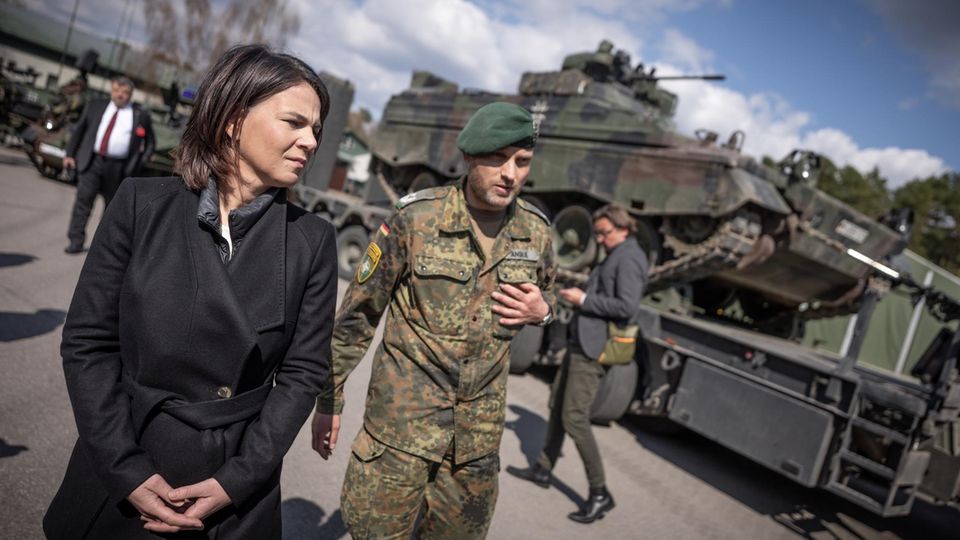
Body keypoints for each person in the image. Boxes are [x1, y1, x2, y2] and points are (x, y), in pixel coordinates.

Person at [43, 44, 336, 539]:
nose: (310, 142)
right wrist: (125, 468)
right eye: (294, 123)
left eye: (316, 130)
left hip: (230, 487)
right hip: (127, 462)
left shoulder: (313, 240)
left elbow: (303, 374)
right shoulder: (140, 205)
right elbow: (88, 344)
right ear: (232, 120)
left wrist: (236, 480)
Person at [312, 101, 557, 538]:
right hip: (399, 434)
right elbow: (357, 317)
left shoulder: (536, 232)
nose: (510, 174)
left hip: (475, 448)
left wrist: (545, 310)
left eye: (522, 162)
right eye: (497, 159)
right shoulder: (416, 218)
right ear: (468, 158)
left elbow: (550, 291)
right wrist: (329, 399)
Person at [510, 203, 648, 524]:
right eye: (597, 233)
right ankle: (543, 469)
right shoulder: (617, 253)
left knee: (574, 418)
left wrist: (583, 299)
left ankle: (600, 493)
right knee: (558, 404)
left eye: (604, 233)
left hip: (594, 349)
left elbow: (627, 307)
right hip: (582, 342)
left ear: (623, 228)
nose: (599, 239)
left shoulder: (629, 257)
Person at [63, 75, 155, 254]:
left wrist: (141, 161)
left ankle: (101, 247)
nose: (120, 95)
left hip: (119, 168)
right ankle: (75, 240)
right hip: (93, 162)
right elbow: (79, 131)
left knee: (111, 210)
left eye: (124, 92)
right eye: (116, 90)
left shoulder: (140, 114)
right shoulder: (95, 106)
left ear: (131, 94)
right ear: (111, 90)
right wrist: (69, 154)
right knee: (83, 202)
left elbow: (151, 142)